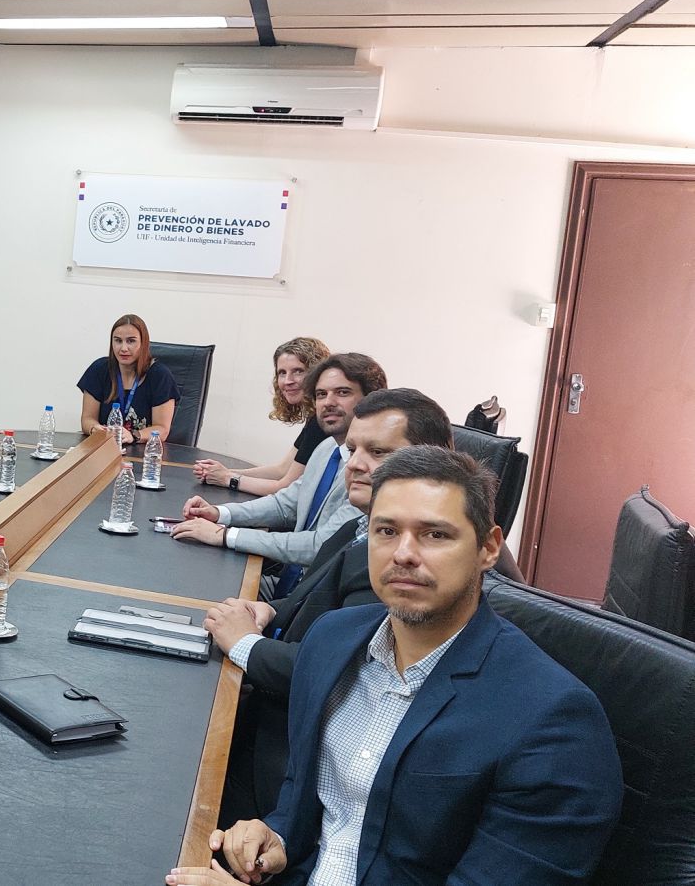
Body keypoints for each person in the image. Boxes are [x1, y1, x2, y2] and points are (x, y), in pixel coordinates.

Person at [169, 446, 622, 886]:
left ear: (488, 548)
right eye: (386, 531)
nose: (403, 553)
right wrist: (278, 834)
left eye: (435, 534)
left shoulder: (554, 723)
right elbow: (310, 798)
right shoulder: (333, 638)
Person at [205, 388, 452, 824]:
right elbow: (316, 600)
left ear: (431, 460)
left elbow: (345, 668)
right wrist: (271, 612)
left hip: (293, 771)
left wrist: (244, 644)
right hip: (270, 721)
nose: (354, 463)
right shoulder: (360, 527)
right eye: (352, 448)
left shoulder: (410, 563)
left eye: (378, 452)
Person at [171, 353, 387, 574]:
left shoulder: (373, 471)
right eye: (321, 394)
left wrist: (225, 535)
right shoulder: (326, 449)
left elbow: (319, 545)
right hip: (289, 581)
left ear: (371, 400)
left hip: (310, 596)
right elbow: (286, 504)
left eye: (342, 392)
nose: (328, 402)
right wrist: (220, 513)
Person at [193, 337, 330, 497]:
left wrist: (227, 478)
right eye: (282, 373)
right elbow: (282, 470)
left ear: (316, 374)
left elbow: (285, 487)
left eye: (298, 371)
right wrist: (222, 471)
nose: (288, 381)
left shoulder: (323, 421)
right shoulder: (313, 417)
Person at [76, 313, 179, 445]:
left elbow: (162, 429)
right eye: (118, 341)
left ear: (143, 343)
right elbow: (87, 419)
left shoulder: (160, 376)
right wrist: (94, 429)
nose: (123, 348)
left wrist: (133, 435)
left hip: (143, 453)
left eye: (131, 341)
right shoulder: (99, 369)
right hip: (104, 449)